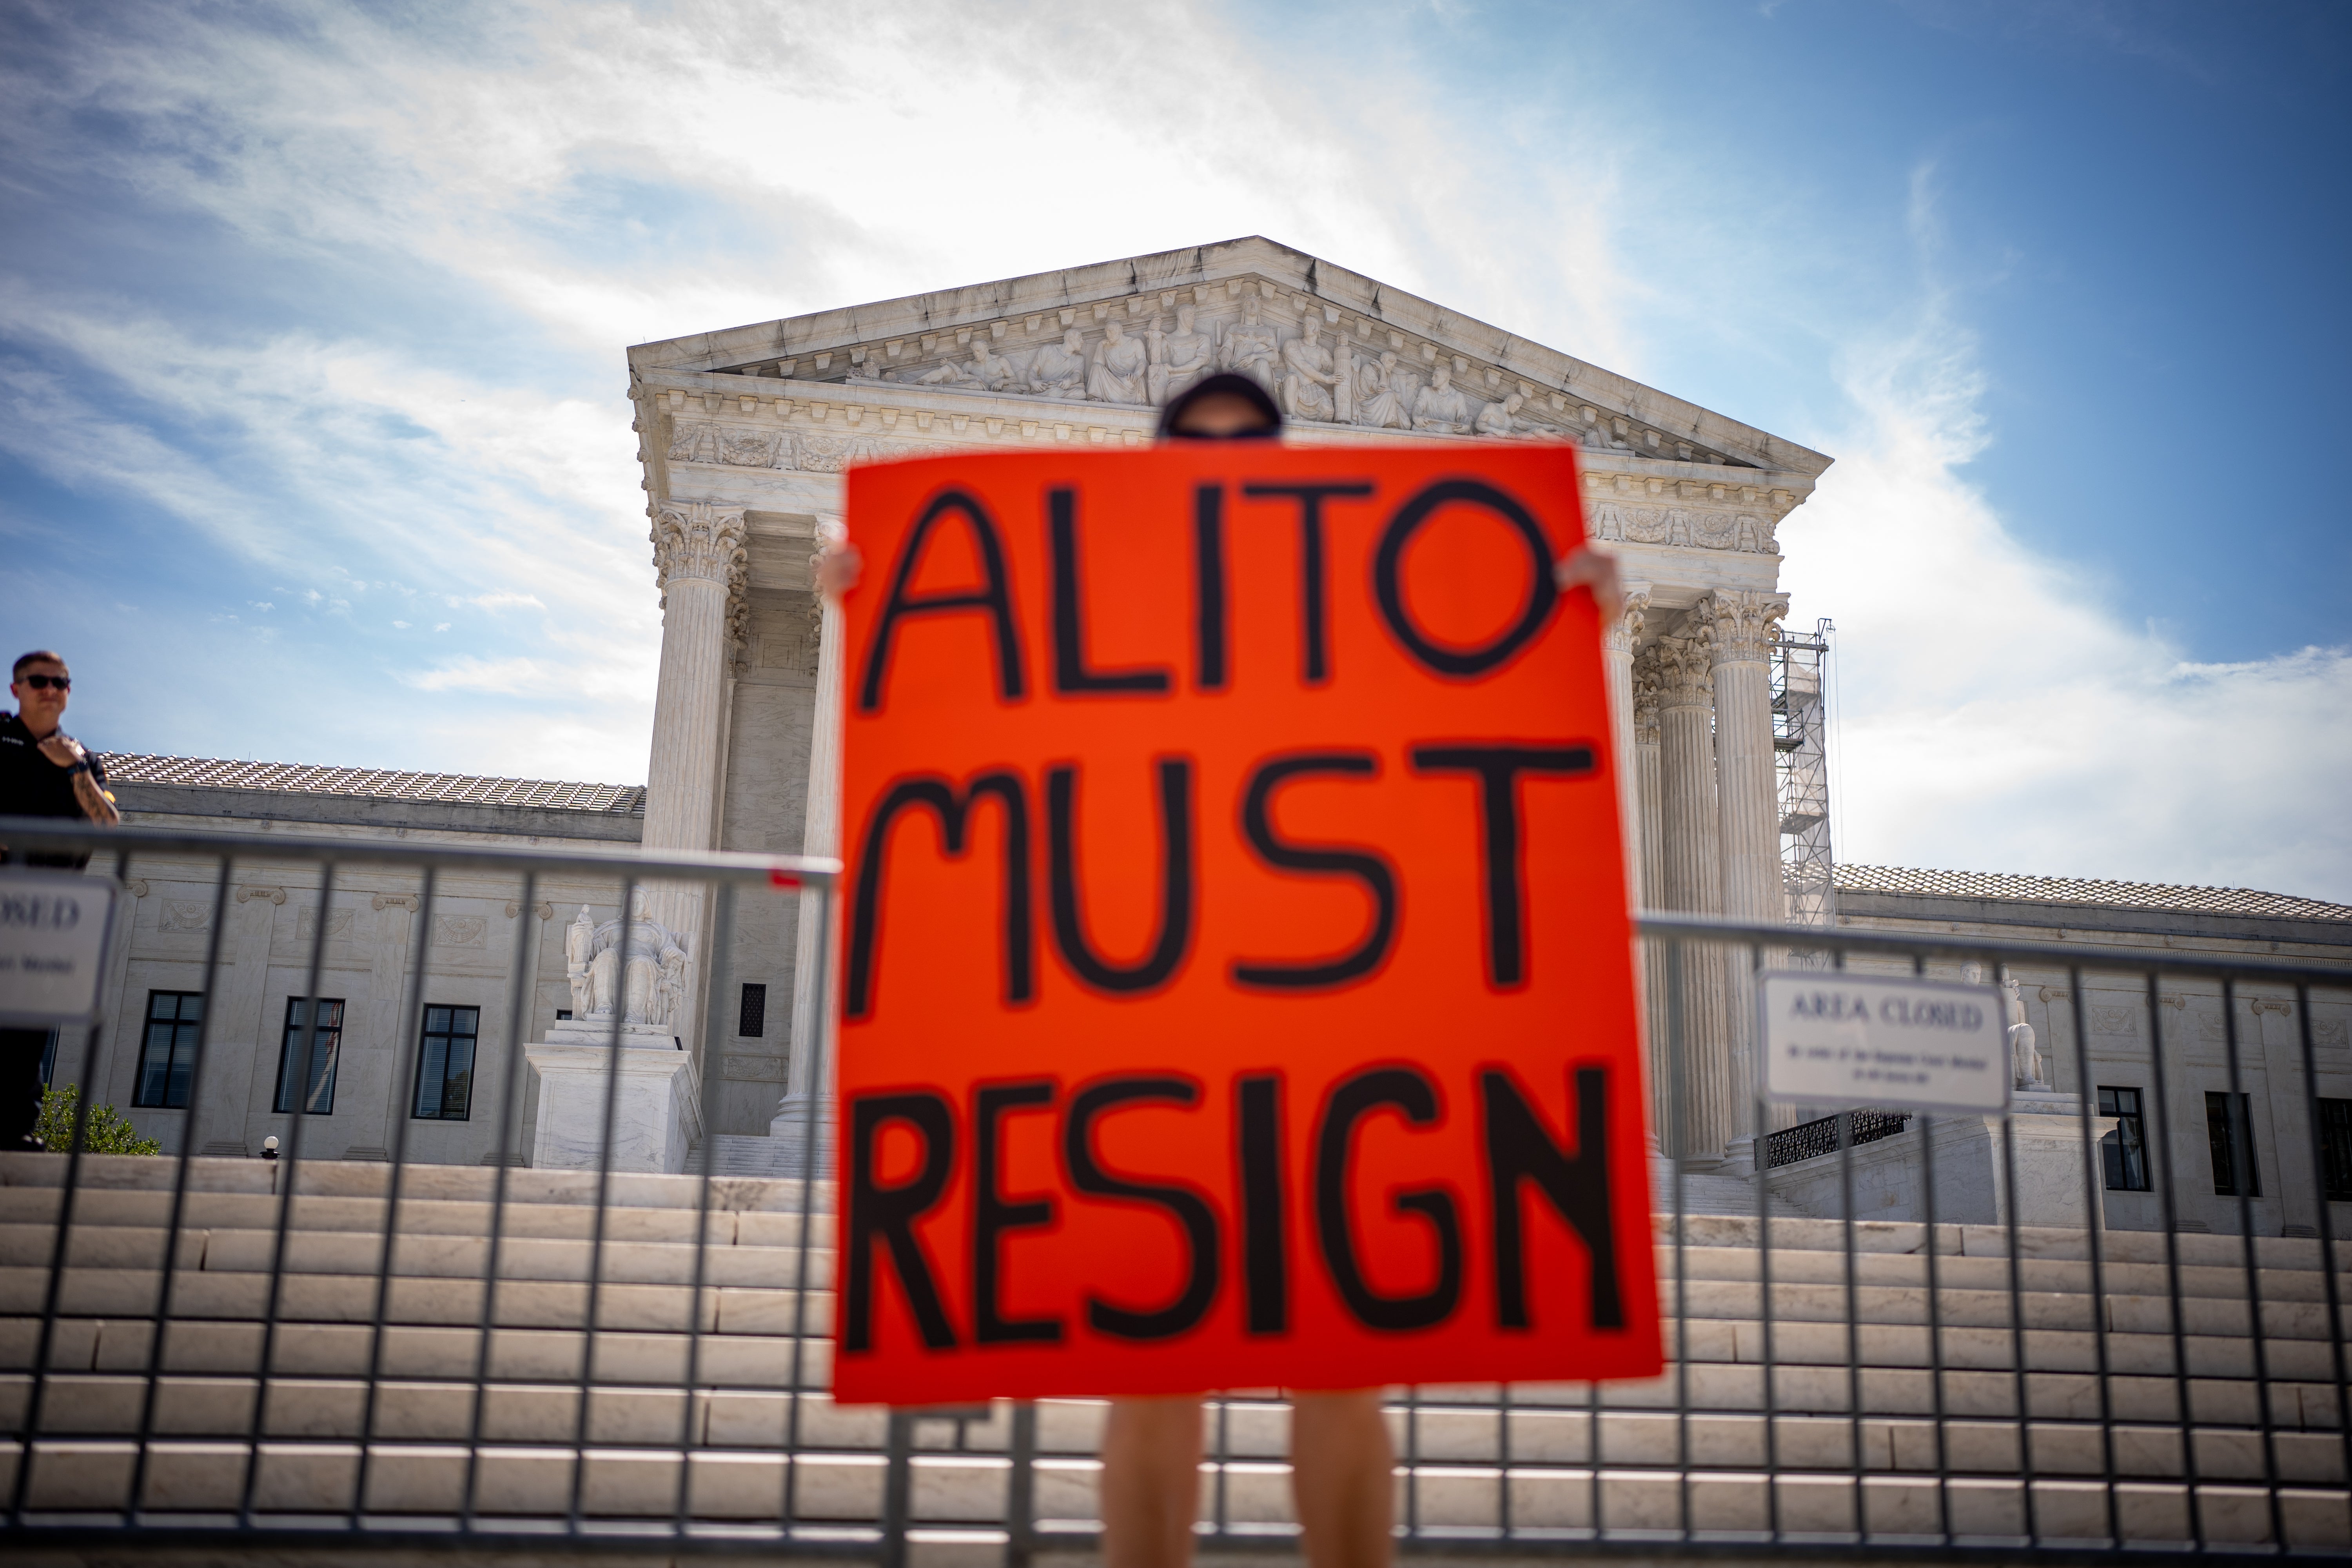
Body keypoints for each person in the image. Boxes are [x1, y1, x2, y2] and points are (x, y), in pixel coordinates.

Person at [816, 377, 1619, 1568]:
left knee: (1340, 1374)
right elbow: (993, 740)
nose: (1222, 467)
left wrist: (1569, 623)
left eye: (1249, 451)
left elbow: (1453, 733)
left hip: (1333, 1031)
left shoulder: (1348, 610)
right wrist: (873, 608)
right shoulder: (1105, 613)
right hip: (1152, 1037)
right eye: (1197, 450)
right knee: (1155, 1378)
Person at [1, 650, 120, 1152]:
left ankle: (11, 1128)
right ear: (17, 689)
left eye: (60, 682)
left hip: (52, 905)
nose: (50, 689)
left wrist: (73, 770)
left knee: (30, 1019)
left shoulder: (82, 757)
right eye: (39, 681)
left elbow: (107, 825)